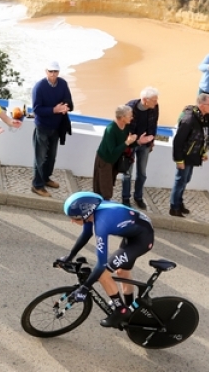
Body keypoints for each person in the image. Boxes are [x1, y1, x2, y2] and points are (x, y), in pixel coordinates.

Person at [57, 191, 154, 328]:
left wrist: (84, 288)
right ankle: (131, 310)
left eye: (75, 217)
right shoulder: (92, 212)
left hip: (141, 241)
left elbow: (101, 264)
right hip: (135, 233)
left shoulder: (102, 224)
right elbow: (86, 234)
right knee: (121, 271)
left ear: (85, 214)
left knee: (103, 274)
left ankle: (122, 310)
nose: (72, 221)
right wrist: (70, 256)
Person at [31, 61, 73, 198]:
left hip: (57, 126)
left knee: (51, 156)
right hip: (43, 126)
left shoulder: (63, 84)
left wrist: (65, 106)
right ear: (46, 71)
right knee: (40, 157)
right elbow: (37, 109)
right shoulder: (39, 87)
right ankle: (37, 185)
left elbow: (68, 100)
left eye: (55, 71)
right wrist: (54, 110)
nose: (53, 74)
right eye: (51, 71)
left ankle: (46, 178)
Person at [93, 105, 150, 200]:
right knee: (104, 189)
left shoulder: (126, 126)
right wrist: (127, 142)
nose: (132, 118)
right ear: (122, 117)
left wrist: (139, 142)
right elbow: (113, 151)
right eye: (130, 116)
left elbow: (127, 144)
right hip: (105, 160)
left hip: (114, 161)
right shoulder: (111, 130)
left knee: (109, 184)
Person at [170, 94, 209, 217]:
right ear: (202, 105)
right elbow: (178, 141)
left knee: (185, 180)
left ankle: (179, 202)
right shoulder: (189, 119)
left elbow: (202, 136)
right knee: (180, 181)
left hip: (193, 155)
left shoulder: (202, 117)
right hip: (185, 156)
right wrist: (179, 160)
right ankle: (174, 207)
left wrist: (203, 152)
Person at [122, 87, 159, 209]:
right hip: (131, 145)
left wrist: (151, 141)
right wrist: (133, 141)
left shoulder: (155, 107)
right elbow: (123, 126)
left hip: (145, 145)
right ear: (145, 100)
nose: (156, 102)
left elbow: (154, 124)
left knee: (142, 173)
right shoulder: (129, 108)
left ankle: (138, 197)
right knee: (127, 173)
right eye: (154, 100)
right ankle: (125, 198)